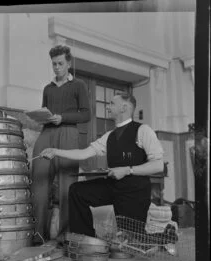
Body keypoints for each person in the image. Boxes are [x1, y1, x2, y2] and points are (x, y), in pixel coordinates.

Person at [40, 92, 164, 237]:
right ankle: (85, 238)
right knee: (77, 191)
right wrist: (55, 151)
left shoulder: (143, 130)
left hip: (134, 191)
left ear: (124, 108)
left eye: (112, 103)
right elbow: (84, 153)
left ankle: (163, 235)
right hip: (113, 186)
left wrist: (128, 170)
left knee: (131, 241)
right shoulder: (109, 136)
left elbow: (158, 165)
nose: (107, 107)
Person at [31, 45, 90, 243]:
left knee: (67, 185)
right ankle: (38, 234)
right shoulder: (47, 88)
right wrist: (42, 117)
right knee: (39, 182)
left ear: (69, 63)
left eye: (60, 63)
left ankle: (65, 237)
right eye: (54, 64)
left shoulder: (79, 85)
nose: (56, 68)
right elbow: (44, 110)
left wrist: (62, 117)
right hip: (47, 132)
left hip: (68, 133)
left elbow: (86, 114)